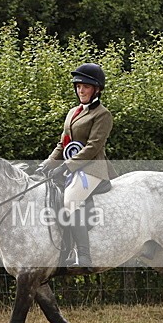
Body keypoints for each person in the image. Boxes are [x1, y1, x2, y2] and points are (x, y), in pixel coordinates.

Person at [35, 63, 117, 267]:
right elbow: (62, 144)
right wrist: (47, 164)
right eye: (78, 86)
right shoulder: (73, 112)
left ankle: (83, 255)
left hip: (92, 168)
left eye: (86, 86)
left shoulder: (102, 115)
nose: (81, 90)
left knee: (69, 200)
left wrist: (67, 166)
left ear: (96, 89)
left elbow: (93, 147)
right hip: (72, 166)